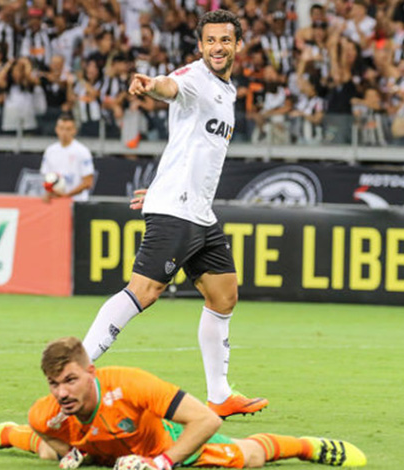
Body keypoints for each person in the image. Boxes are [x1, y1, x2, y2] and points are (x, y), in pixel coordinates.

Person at [81, 9, 268, 419]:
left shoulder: (228, 90)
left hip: (197, 211)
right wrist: (152, 86)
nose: (218, 47)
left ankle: (219, 395)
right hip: (178, 211)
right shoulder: (195, 79)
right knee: (144, 291)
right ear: (200, 47)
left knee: (224, 295)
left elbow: (193, 147)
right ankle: (76, 367)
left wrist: (165, 182)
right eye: (210, 41)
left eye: (225, 40)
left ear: (237, 45)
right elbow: (171, 87)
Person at [0, 337, 367, 469]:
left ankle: (306, 446)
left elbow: (206, 420)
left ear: (91, 373)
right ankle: (1, 434)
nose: (62, 392)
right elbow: (43, 427)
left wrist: (162, 463)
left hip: (155, 448)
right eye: (55, 384)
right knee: (46, 448)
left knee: (243, 459)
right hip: (105, 450)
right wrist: (73, 451)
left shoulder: (130, 385)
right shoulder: (47, 410)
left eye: (71, 380)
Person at [40, 113, 95, 202]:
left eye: (68, 129)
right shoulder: (50, 151)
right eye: (61, 128)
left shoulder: (82, 151)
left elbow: (88, 182)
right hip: (56, 202)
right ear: (56, 129)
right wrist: (49, 192)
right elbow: (46, 177)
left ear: (74, 131)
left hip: (77, 202)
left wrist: (67, 196)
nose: (64, 133)